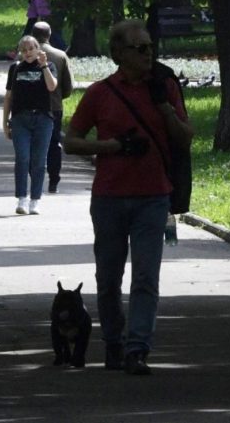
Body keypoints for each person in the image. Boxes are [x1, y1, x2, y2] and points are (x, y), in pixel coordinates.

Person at [63, 19, 193, 375]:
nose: (149, 54)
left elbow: (185, 138)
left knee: (146, 277)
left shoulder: (165, 87)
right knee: (108, 279)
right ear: (118, 53)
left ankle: (137, 349)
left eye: (150, 47)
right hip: (109, 198)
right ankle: (114, 342)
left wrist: (164, 106)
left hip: (154, 197)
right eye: (140, 48)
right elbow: (70, 141)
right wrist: (112, 146)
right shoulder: (100, 93)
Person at [3, 35, 58, 215]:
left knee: (39, 161)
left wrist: (44, 65)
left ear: (38, 49)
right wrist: (5, 122)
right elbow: (9, 96)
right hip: (20, 119)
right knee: (23, 158)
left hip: (43, 119)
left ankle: (35, 200)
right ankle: (22, 198)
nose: (27, 53)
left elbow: (52, 86)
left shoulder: (48, 66)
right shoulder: (16, 68)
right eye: (24, 50)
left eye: (31, 49)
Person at [31, 21, 73, 193]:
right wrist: (58, 96)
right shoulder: (61, 56)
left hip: (31, 107)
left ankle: (35, 179)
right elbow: (68, 87)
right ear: (49, 35)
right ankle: (54, 180)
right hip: (54, 106)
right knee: (54, 144)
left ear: (33, 35)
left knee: (33, 143)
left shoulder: (25, 55)